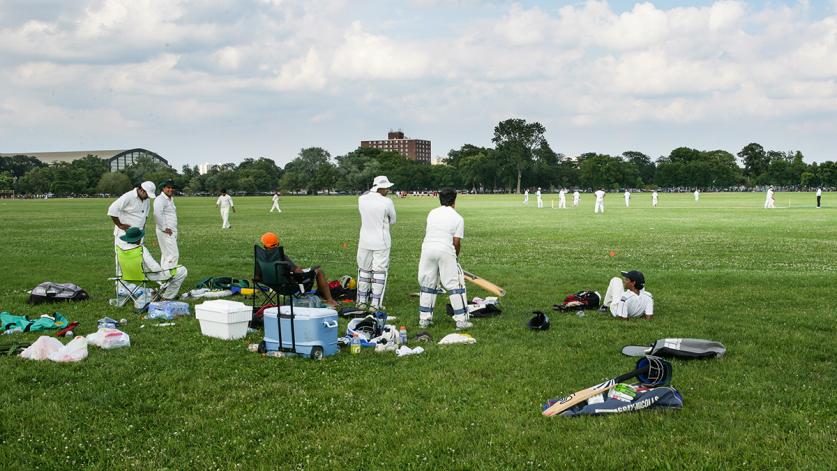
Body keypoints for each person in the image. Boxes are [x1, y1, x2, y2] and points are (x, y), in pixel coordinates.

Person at [417, 189, 471, 330]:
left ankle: (424, 319)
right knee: (454, 285)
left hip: (427, 249)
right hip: (445, 250)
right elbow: (456, 242)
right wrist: (455, 257)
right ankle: (461, 320)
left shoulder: (432, 213)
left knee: (428, 284)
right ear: (454, 200)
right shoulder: (458, 218)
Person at [259, 232, 339, 308]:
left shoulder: (262, 257)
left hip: (273, 285)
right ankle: (329, 300)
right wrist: (302, 269)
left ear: (264, 246)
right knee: (318, 270)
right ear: (278, 243)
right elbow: (297, 272)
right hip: (290, 287)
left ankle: (321, 295)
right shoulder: (281, 256)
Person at [356, 175, 397, 309]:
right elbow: (393, 220)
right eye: (387, 188)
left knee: (364, 270)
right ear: (381, 188)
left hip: (364, 240)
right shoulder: (387, 202)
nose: (388, 190)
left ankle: (361, 301)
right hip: (381, 240)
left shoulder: (361, 199)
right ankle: (375, 304)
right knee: (379, 272)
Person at [118, 227, 187, 300]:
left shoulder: (120, 250)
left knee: (172, 273)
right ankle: (167, 297)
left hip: (128, 277)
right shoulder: (140, 249)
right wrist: (163, 269)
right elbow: (155, 268)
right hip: (147, 277)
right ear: (139, 238)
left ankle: (162, 289)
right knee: (182, 270)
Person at [108, 181, 156, 273]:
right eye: (147, 194)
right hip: (124, 235)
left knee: (140, 258)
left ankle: (142, 278)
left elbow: (144, 217)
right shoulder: (128, 196)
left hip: (138, 235)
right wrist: (120, 225)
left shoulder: (147, 200)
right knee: (122, 259)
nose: (148, 197)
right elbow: (112, 210)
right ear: (142, 190)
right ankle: (120, 284)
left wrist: (141, 233)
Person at [153, 180, 179, 269]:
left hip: (171, 230)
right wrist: (164, 228)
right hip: (166, 231)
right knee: (173, 255)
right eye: (168, 187)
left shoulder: (170, 199)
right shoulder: (160, 199)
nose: (170, 189)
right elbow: (157, 214)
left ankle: (162, 275)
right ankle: (169, 277)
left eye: (172, 188)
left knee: (166, 255)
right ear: (163, 188)